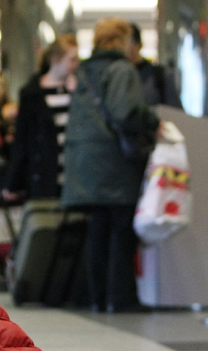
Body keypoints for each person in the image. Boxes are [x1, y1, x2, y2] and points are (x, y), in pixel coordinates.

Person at [61, 18, 160, 313]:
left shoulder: (86, 70)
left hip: (86, 161)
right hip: (114, 161)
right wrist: (153, 119)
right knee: (121, 231)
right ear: (121, 41)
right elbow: (125, 112)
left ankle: (97, 297)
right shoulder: (120, 69)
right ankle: (121, 298)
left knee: (98, 230)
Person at [4, 34, 79, 200]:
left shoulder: (78, 90)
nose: (76, 64)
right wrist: (13, 182)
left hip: (74, 171)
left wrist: (78, 94)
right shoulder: (32, 93)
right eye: (71, 59)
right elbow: (22, 139)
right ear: (55, 60)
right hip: (45, 171)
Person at [126, 23, 182, 108]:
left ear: (139, 45)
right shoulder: (117, 76)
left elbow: (176, 113)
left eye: (129, 42)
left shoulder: (160, 75)